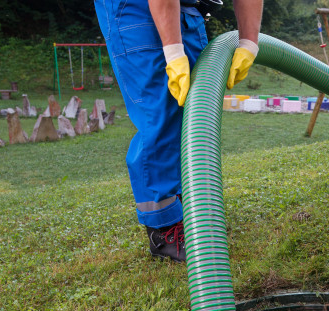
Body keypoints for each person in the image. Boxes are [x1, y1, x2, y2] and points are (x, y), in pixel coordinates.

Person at [94, 0, 263, 262]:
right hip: (133, 8)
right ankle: (164, 229)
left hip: (188, 9)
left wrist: (249, 43)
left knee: (194, 111)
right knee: (160, 112)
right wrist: (173, 53)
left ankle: (188, 213)